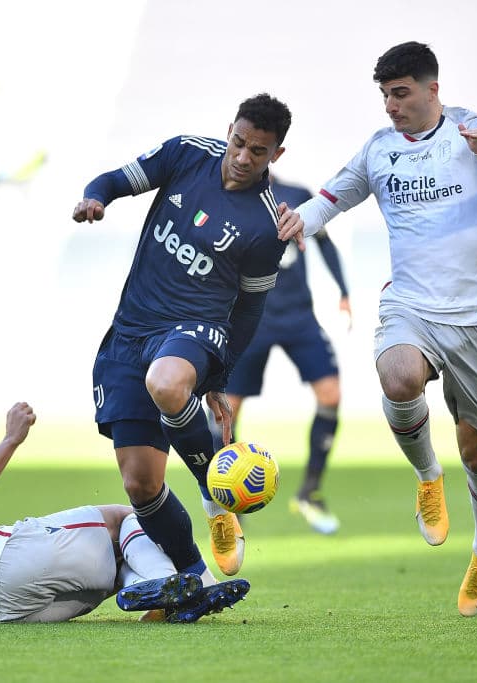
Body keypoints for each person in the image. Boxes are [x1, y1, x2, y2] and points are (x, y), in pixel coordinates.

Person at [277, 42, 477, 616]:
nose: (391, 107)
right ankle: (428, 478)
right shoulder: (379, 149)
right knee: (397, 378)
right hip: (412, 304)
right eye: (385, 96)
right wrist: (303, 221)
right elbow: (333, 196)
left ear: (432, 90)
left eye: (400, 94)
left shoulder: (469, 129)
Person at [72, 94, 292, 582]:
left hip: (195, 329)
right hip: (130, 332)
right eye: (238, 142)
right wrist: (95, 198)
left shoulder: (264, 225)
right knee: (140, 484)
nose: (242, 157)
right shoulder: (186, 153)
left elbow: (251, 307)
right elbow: (113, 180)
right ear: (228, 130)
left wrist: (220, 374)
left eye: (258, 151)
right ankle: (194, 577)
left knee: (169, 384)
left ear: (276, 154)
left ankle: (217, 493)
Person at [0, 397, 250, 624]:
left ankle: (156, 593)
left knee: (118, 558)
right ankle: (192, 587)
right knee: (124, 518)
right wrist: (11, 439)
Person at [209, 175, 351, 535]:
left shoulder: (297, 195)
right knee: (227, 411)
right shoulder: (226, 198)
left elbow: (324, 243)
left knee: (330, 394)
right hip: (248, 317)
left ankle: (310, 493)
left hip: (298, 315)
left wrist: (343, 290)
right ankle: (225, 507)